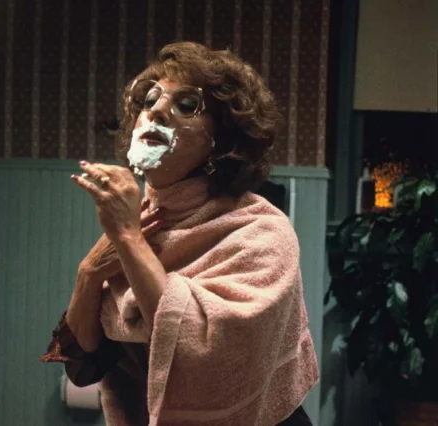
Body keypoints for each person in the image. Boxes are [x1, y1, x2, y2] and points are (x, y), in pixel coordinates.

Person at [40, 41, 319, 426]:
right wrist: (88, 273)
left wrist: (129, 240)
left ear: (222, 142)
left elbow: (207, 360)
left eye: (187, 105)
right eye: (149, 100)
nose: (156, 110)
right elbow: (83, 367)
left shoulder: (263, 231)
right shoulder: (141, 223)